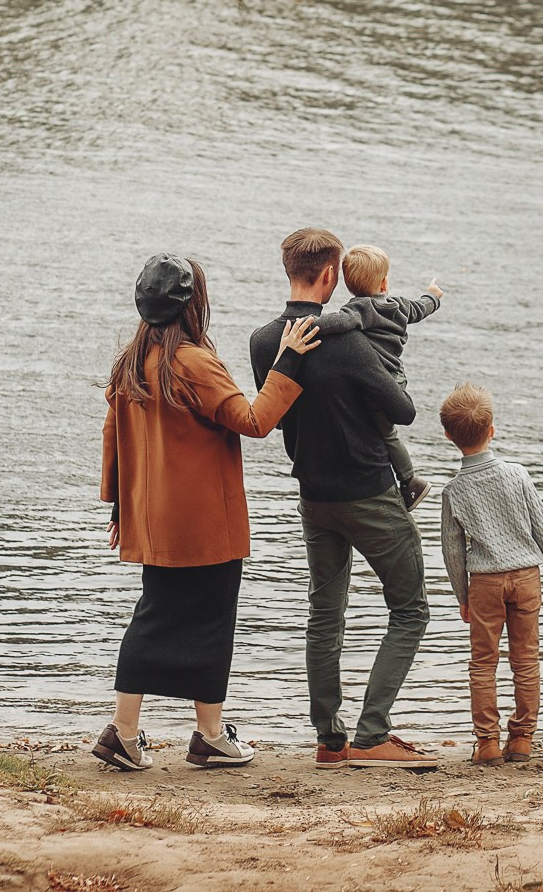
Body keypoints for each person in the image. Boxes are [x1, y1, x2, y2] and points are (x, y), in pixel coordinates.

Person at [93, 252, 322, 772]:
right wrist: (288, 359)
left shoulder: (132, 358)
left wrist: (118, 509)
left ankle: (132, 732)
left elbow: (114, 436)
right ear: (194, 304)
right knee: (210, 624)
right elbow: (254, 420)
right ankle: (204, 735)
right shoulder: (193, 361)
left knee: (155, 616)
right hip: (204, 522)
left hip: (153, 518)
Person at [250, 228, 436, 771]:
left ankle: (330, 741)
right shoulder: (349, 341)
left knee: (324, 616)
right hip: (370, 493)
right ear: (331, 275)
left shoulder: (265, 340)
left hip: (314, 496)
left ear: (288, 268)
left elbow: (275, 408)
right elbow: (402, 411)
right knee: (410, 610)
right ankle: (373, 732)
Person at [437, 384, 543, 765]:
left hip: (484, 582)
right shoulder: (517, 474)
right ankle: (523, 739)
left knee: (483, 663)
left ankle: (488, 743)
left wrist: (462, 596)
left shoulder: (453, 491)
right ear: (492, 429)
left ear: (448, 437)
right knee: (526, 660)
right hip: (527, 577)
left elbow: (452, 552)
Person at [308, 244, 445, 510]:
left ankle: (410, 481)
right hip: (397, 376)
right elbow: (422, 308)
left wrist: (307, 324)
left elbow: (338, 323)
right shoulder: (400, 306)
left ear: (348, 285)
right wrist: (433, 295)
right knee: (384, 430)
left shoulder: (359, 310)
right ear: (384, 283)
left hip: (378, 382)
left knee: (385, 432)